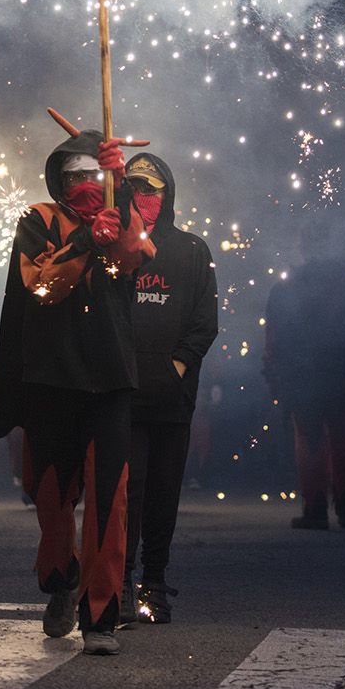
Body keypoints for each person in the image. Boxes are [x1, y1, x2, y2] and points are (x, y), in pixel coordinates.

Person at [0, 126, 154, 656]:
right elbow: (41, 286)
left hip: (109, 381)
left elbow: (135, 254)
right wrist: (85, 240)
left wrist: (122, 187)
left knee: (110, 500)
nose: (84, 183)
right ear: (59, 181)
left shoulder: (121, 213)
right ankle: (61, 580)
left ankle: (100, 616)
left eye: (94, 174)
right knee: (53, 499)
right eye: (74, 174)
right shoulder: (38, 219)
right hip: (51, 381)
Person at [118, 153, 218, 625]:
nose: (143, 197)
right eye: (134, 188)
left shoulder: (192, 250)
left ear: (168, 194)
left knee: (162, 492)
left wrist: (175, 368)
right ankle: (118, 580)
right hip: (123, 393)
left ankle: (153, 582)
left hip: (172, 398)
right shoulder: (113, 245)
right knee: (127, 492)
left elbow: (205, 323)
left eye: (151, 189)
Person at [264, 259, 345, 532]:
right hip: (343, 376)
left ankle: (315, 508)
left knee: (309, 440)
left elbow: (274, 335)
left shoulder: (287, 287)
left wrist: (273, 370)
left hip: (304, 376)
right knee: (343, 440)